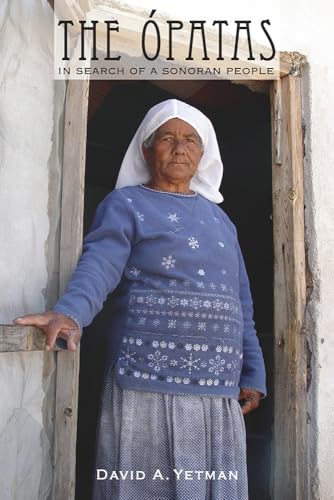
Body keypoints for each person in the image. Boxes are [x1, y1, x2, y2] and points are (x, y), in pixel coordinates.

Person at [15, 99, 266, 500]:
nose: (180, 148)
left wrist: (252, 373)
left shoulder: (222, 221)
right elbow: (100, 265)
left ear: (204, 154)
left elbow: (241, 303)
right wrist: (71, 313)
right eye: (167, 138)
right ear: (147, 150)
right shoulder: (126, 205)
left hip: (217, 385)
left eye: (190, 140)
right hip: (147, 377)